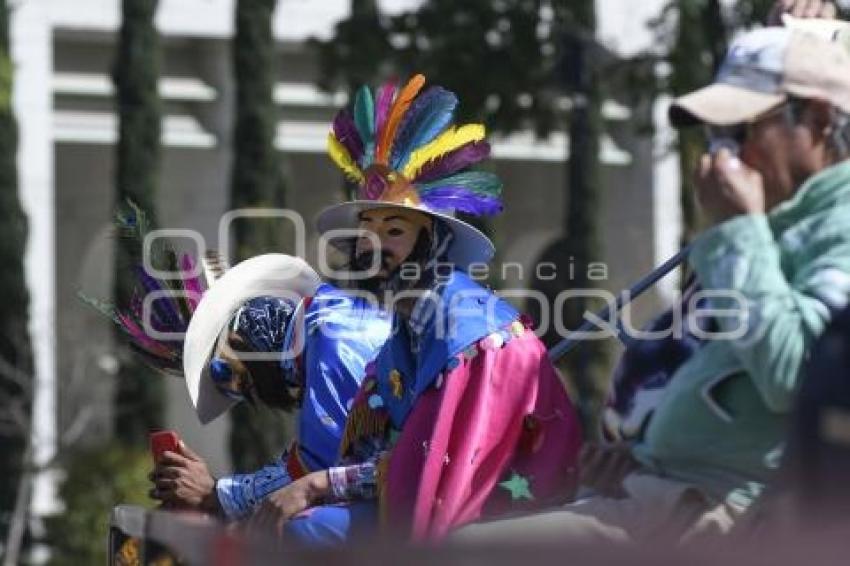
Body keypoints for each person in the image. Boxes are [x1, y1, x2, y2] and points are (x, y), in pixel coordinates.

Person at [455, 23, 850, 544]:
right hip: (667, 495)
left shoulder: (828, 226)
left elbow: (794, 374)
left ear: (819, 119)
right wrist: (640, 456)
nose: (722, 153)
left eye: (741, 129)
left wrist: (738, 229)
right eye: (714, 134)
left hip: (732, 517)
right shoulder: (778, 224)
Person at [246, 74, 583, 544]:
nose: (374, 246)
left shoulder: (470, 340)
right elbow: (380, 452)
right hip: (421, 510)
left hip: (490, 527)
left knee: (307, 533)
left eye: (395, 231)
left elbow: (430, 469)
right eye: (367, 230)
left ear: (435, 241)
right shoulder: (403, 334)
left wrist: (319, 485)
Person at [119, 252, 391, 520]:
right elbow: (306, 461)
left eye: (222, 371)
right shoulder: (324, 324)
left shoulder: (332, 343)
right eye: (228, 391)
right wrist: (214, 492)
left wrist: (215, 494)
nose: (239, 388)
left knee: (299, 529)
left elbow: (318, 470)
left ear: (241, 333)